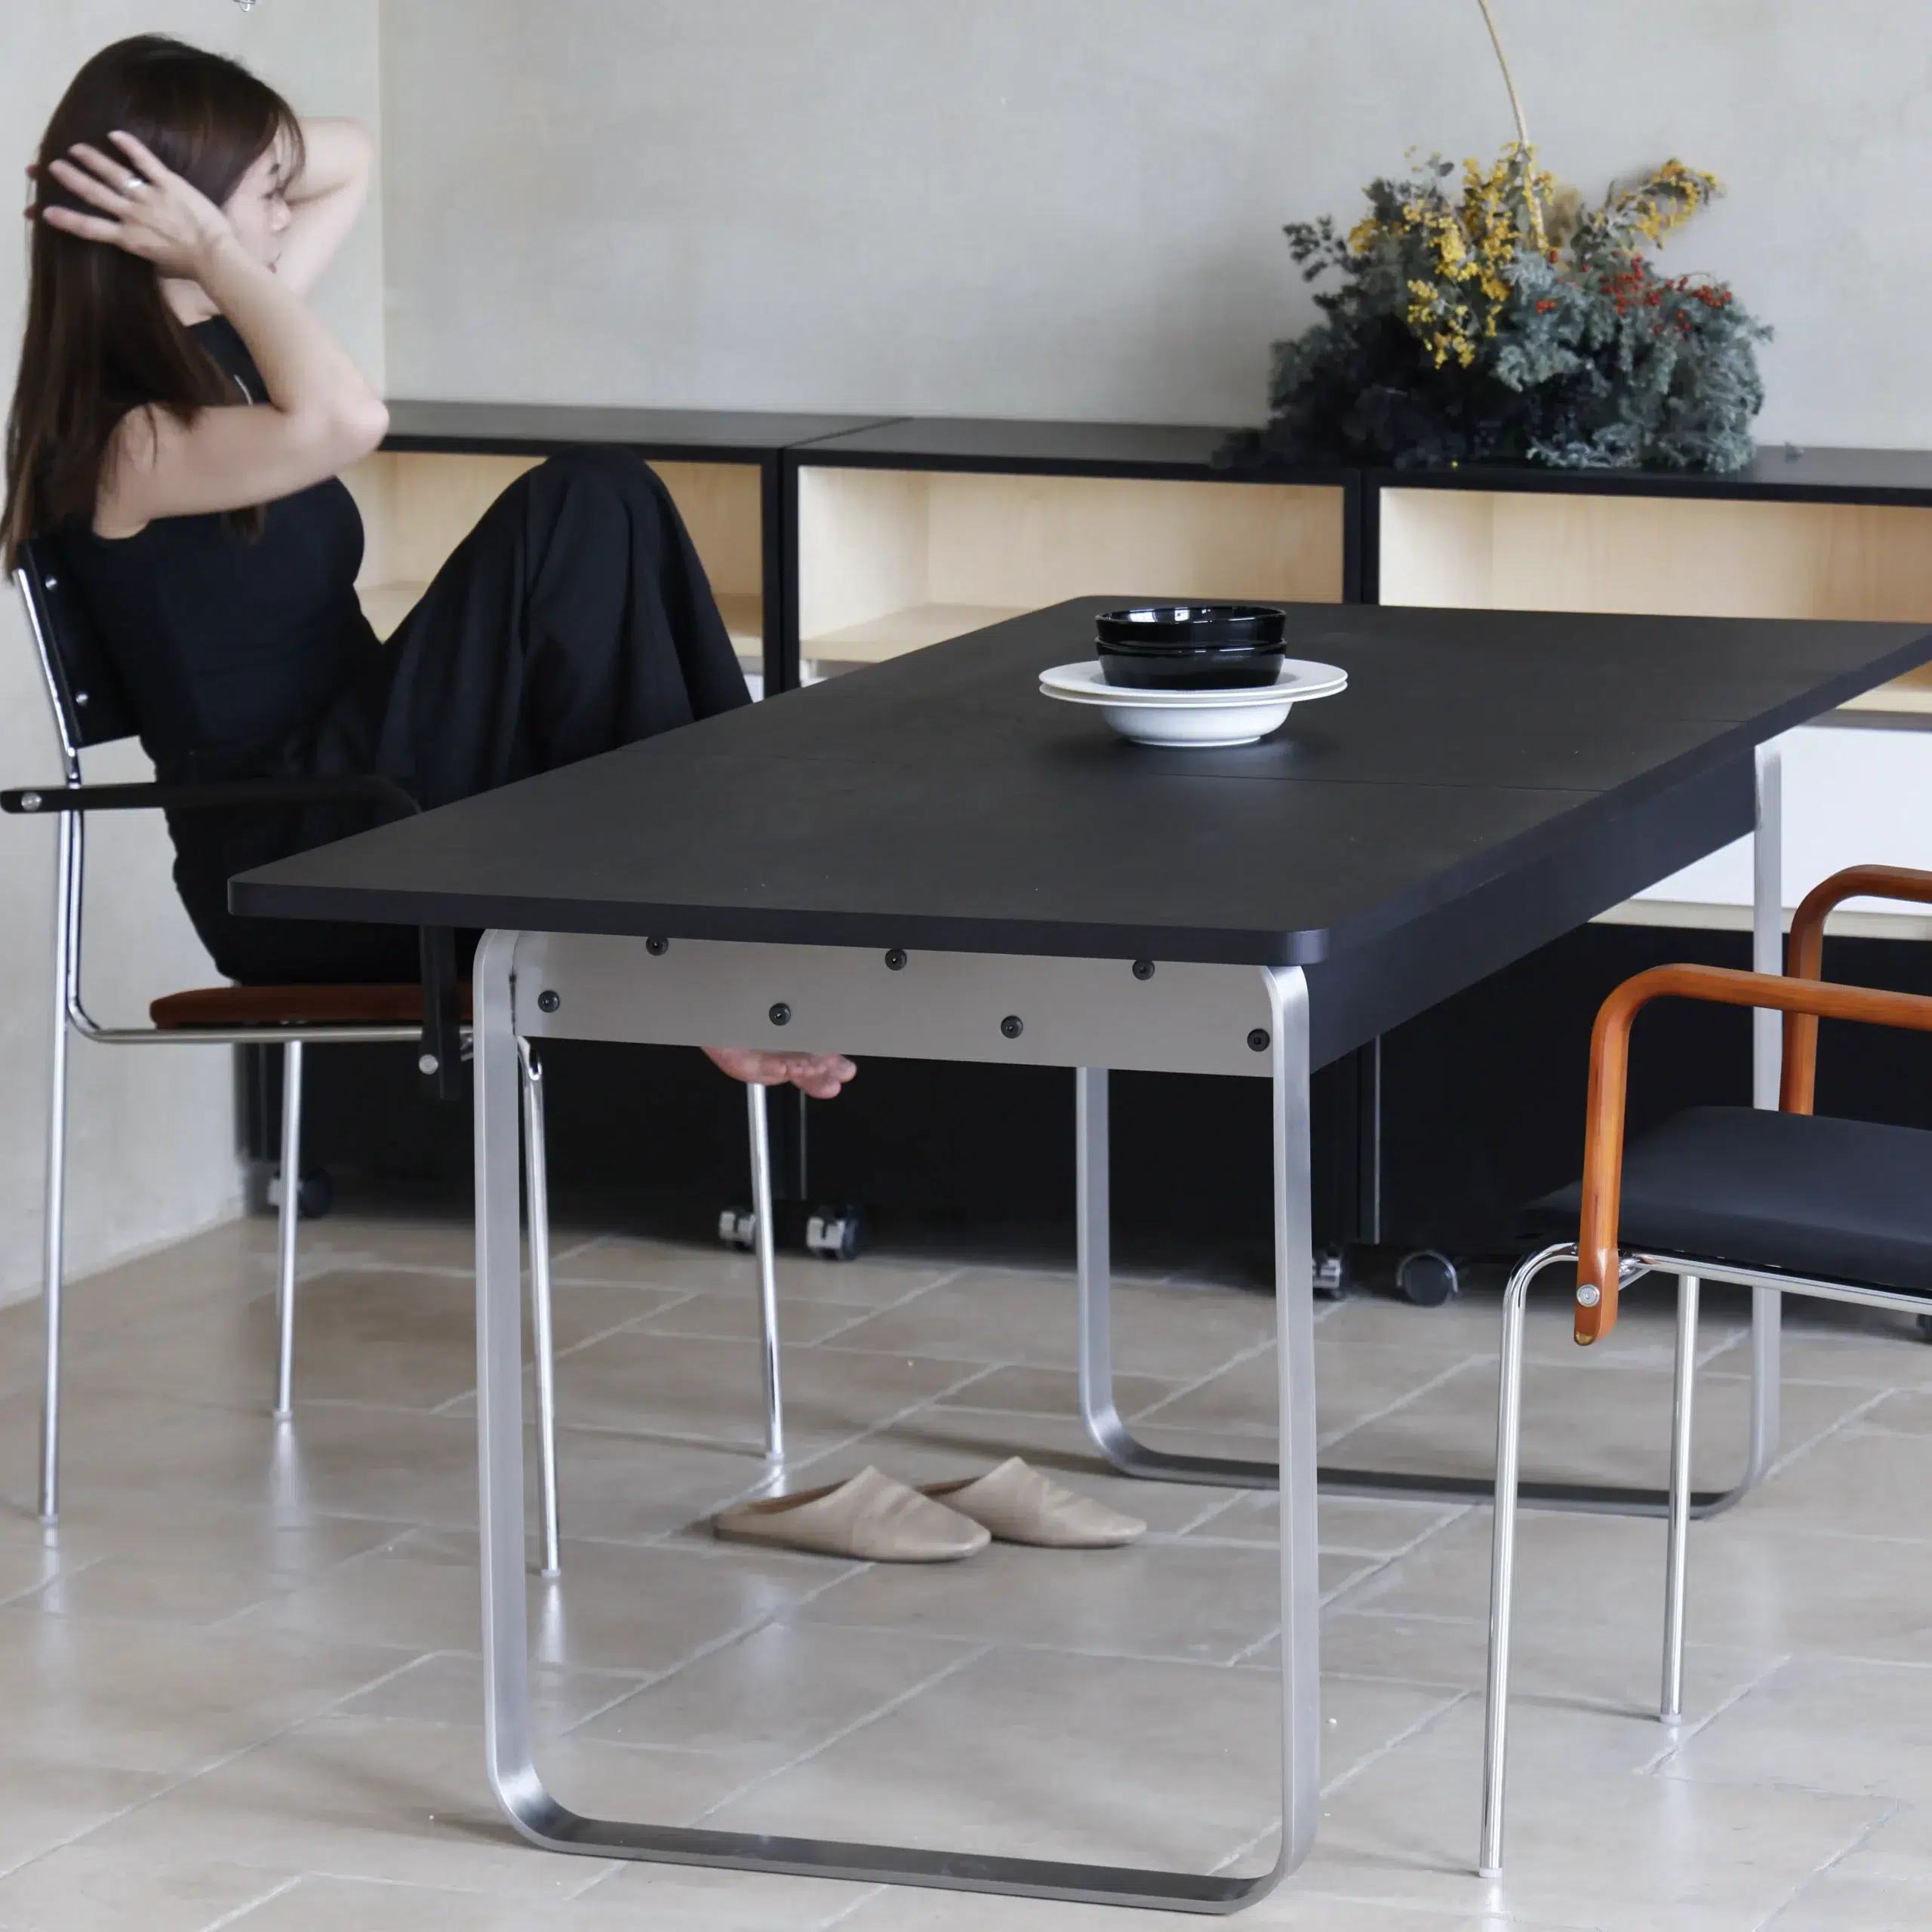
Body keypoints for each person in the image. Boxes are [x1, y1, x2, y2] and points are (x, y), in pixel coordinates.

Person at [3, 35, 852, 1100]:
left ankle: (692, 933)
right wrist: (216, 241)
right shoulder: (127, 442)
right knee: (583, 501)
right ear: (194, 224)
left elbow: (350, 156)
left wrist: (193, 207)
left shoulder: (218, 345)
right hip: (291, 852)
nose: (279, 213)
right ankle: (691, 938)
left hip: (372, 789)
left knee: (608, 499)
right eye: (261, 195)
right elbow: (350, 418)